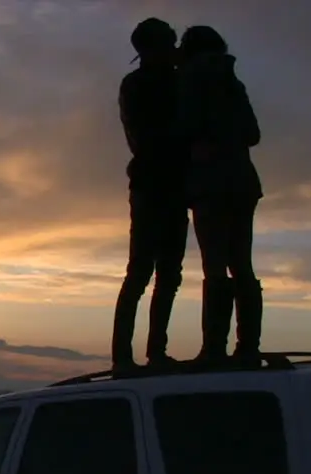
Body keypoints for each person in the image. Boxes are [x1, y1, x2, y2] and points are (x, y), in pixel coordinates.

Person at [178, 25, 265, 365]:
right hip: (242, 182)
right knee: (242, 265)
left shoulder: (189, 80)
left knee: (214, 267)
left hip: (210, 184)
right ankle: (248, 348)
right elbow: (253, 134)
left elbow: (182, 128)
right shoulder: (233, 82)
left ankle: (214, 349)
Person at [111, 17, 189, 371]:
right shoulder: (138, 85)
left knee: (169, 274)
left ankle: (155, 352)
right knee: (141, 272)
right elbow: (148, 135)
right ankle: (124, 358)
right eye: (166, 45)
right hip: (151, 185)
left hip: (173, 186)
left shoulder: (174, 81)